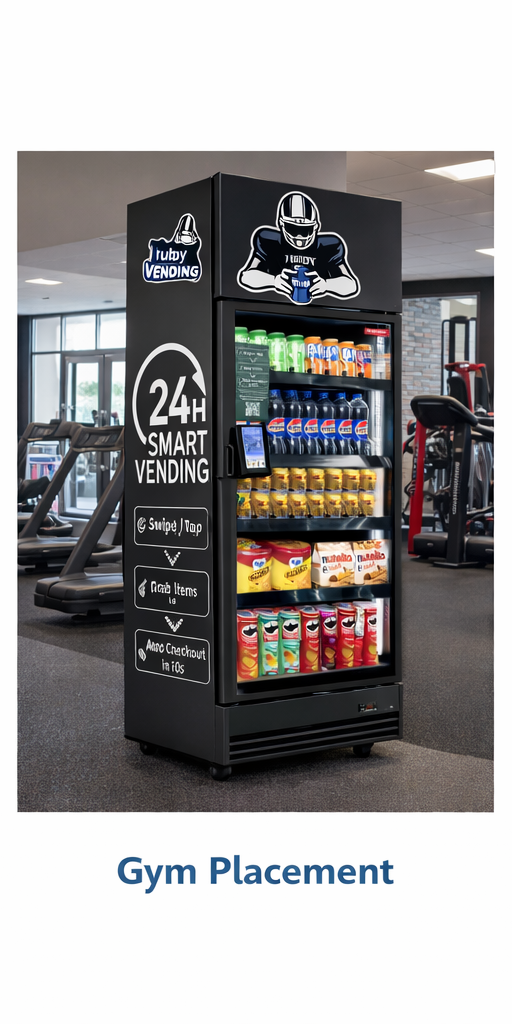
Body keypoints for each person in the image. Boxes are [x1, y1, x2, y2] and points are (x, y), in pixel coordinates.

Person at [238, 191, 360, 303]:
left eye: (305, 229)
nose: (300, 236)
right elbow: (246, 276)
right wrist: (274, 281)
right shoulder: (268, 240)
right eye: (293, 229)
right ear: (281, 224)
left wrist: (327, 285)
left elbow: (351, 284)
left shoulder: (330, 245)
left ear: (316, 227)